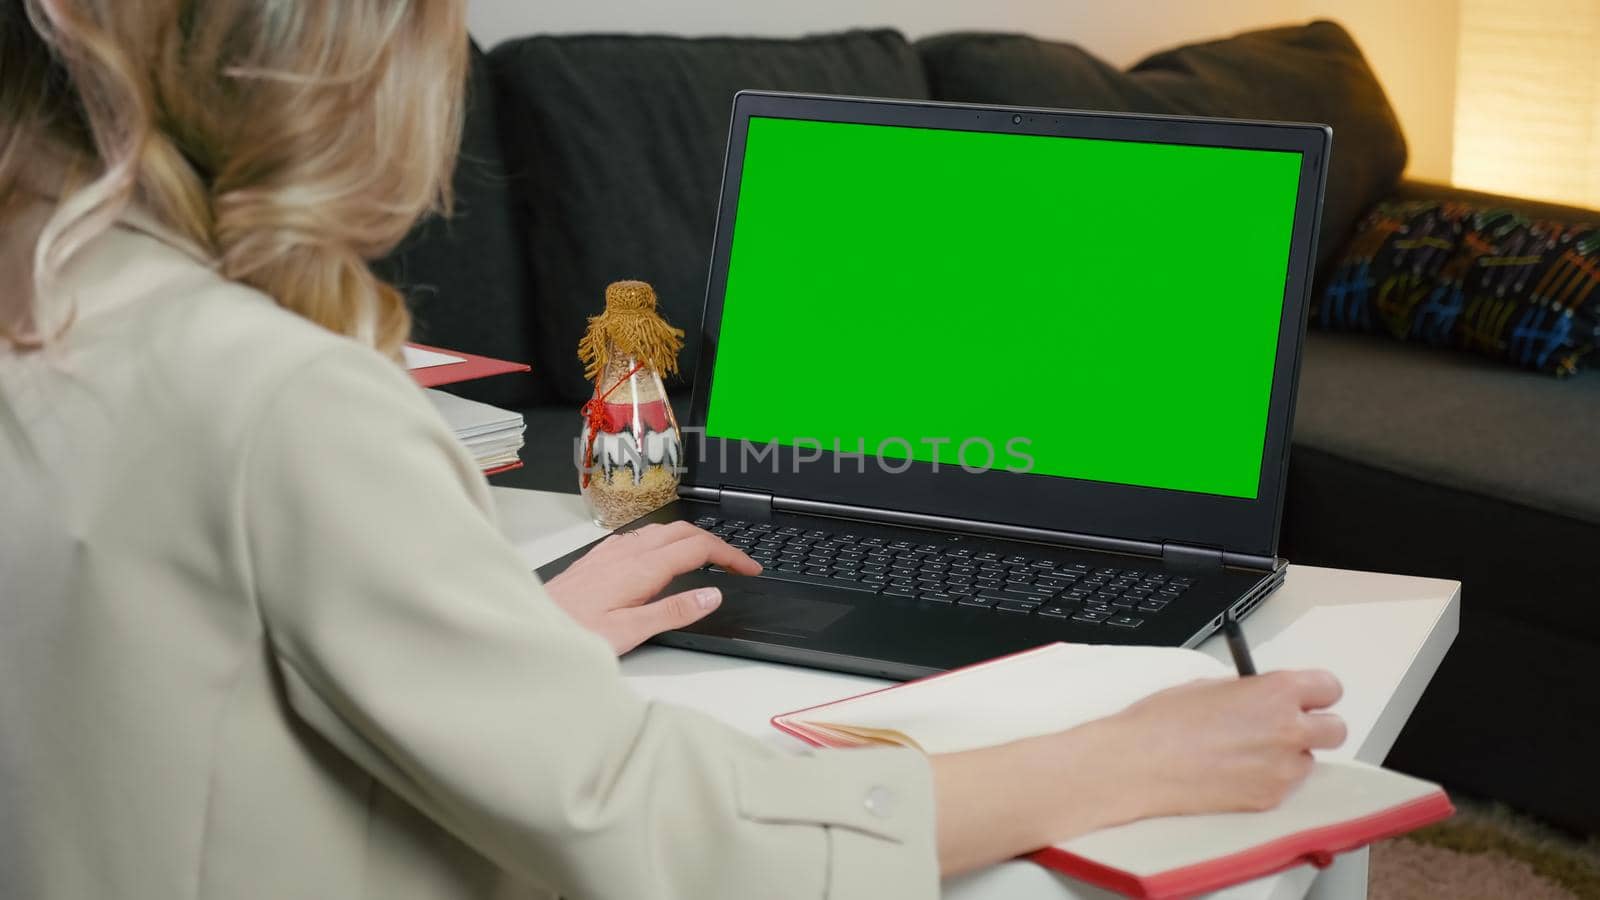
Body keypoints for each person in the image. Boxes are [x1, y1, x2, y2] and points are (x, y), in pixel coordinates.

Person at [0, 2, 1348, 898]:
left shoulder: (61, 308)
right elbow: (655, 827)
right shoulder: (285, 400)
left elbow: (184, 653)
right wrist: (1117, 762)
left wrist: (508, 637)